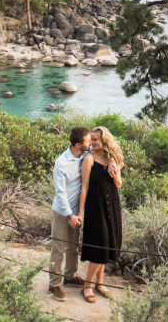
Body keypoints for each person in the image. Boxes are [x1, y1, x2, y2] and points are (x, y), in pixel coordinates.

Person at [78, 125, 124, 303]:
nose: (92, 142)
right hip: (95, 206)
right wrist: (80, 212)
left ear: (105, 140)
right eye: (92, 139)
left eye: (96, 139)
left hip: (111, 205)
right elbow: (84, 187)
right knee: (101, 246)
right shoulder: (88, 158)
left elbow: (118, 185)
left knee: (109, 243)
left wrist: (115, 175)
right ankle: (87, 285)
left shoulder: (112, 158)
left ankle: (100, 282)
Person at [49, 124, 92, 301]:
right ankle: (54, 284)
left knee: (73, 247)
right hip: (62, 212)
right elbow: (60, 194)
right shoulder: (61, 163)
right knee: (58, 248)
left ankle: (69, 275)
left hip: (76, 212)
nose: (90, 143)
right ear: (77, 145)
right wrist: (69, 215)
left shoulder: (84, 155)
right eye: (88, 141)